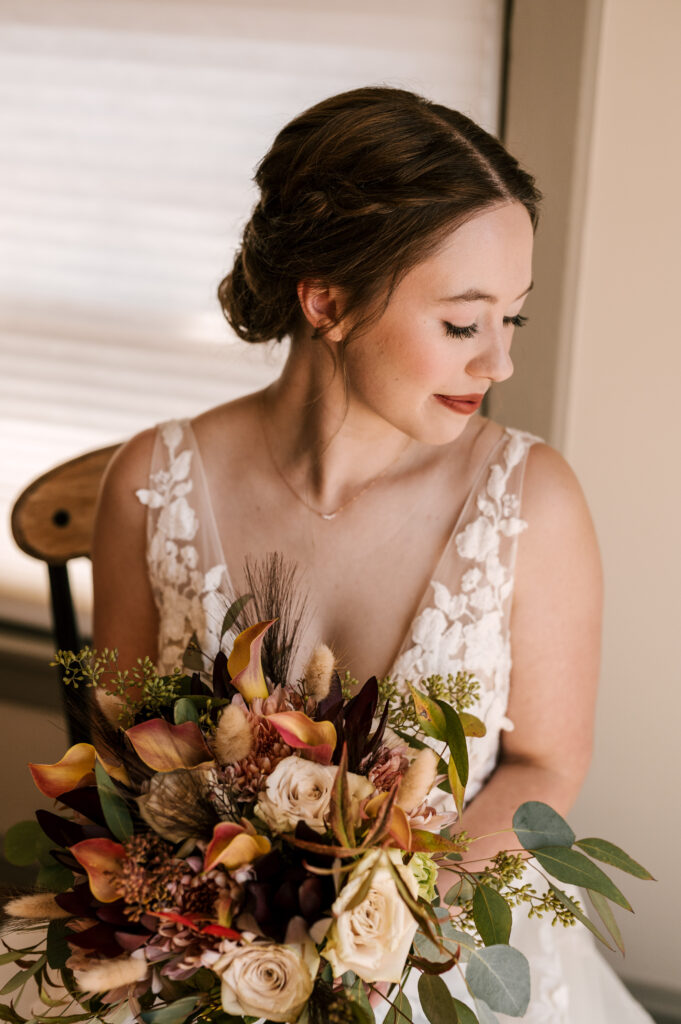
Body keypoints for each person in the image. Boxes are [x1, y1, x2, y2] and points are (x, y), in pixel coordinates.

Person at [92, 87, 652, 1023]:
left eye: (510, 320)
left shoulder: (531, 500)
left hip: (448, 955)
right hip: (214, 968)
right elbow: (123, 762)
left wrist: (381, 935)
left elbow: (545, 767)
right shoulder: (152, 484)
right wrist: (222, 937)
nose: (498, 364)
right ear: (328, 302)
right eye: (462, 324)